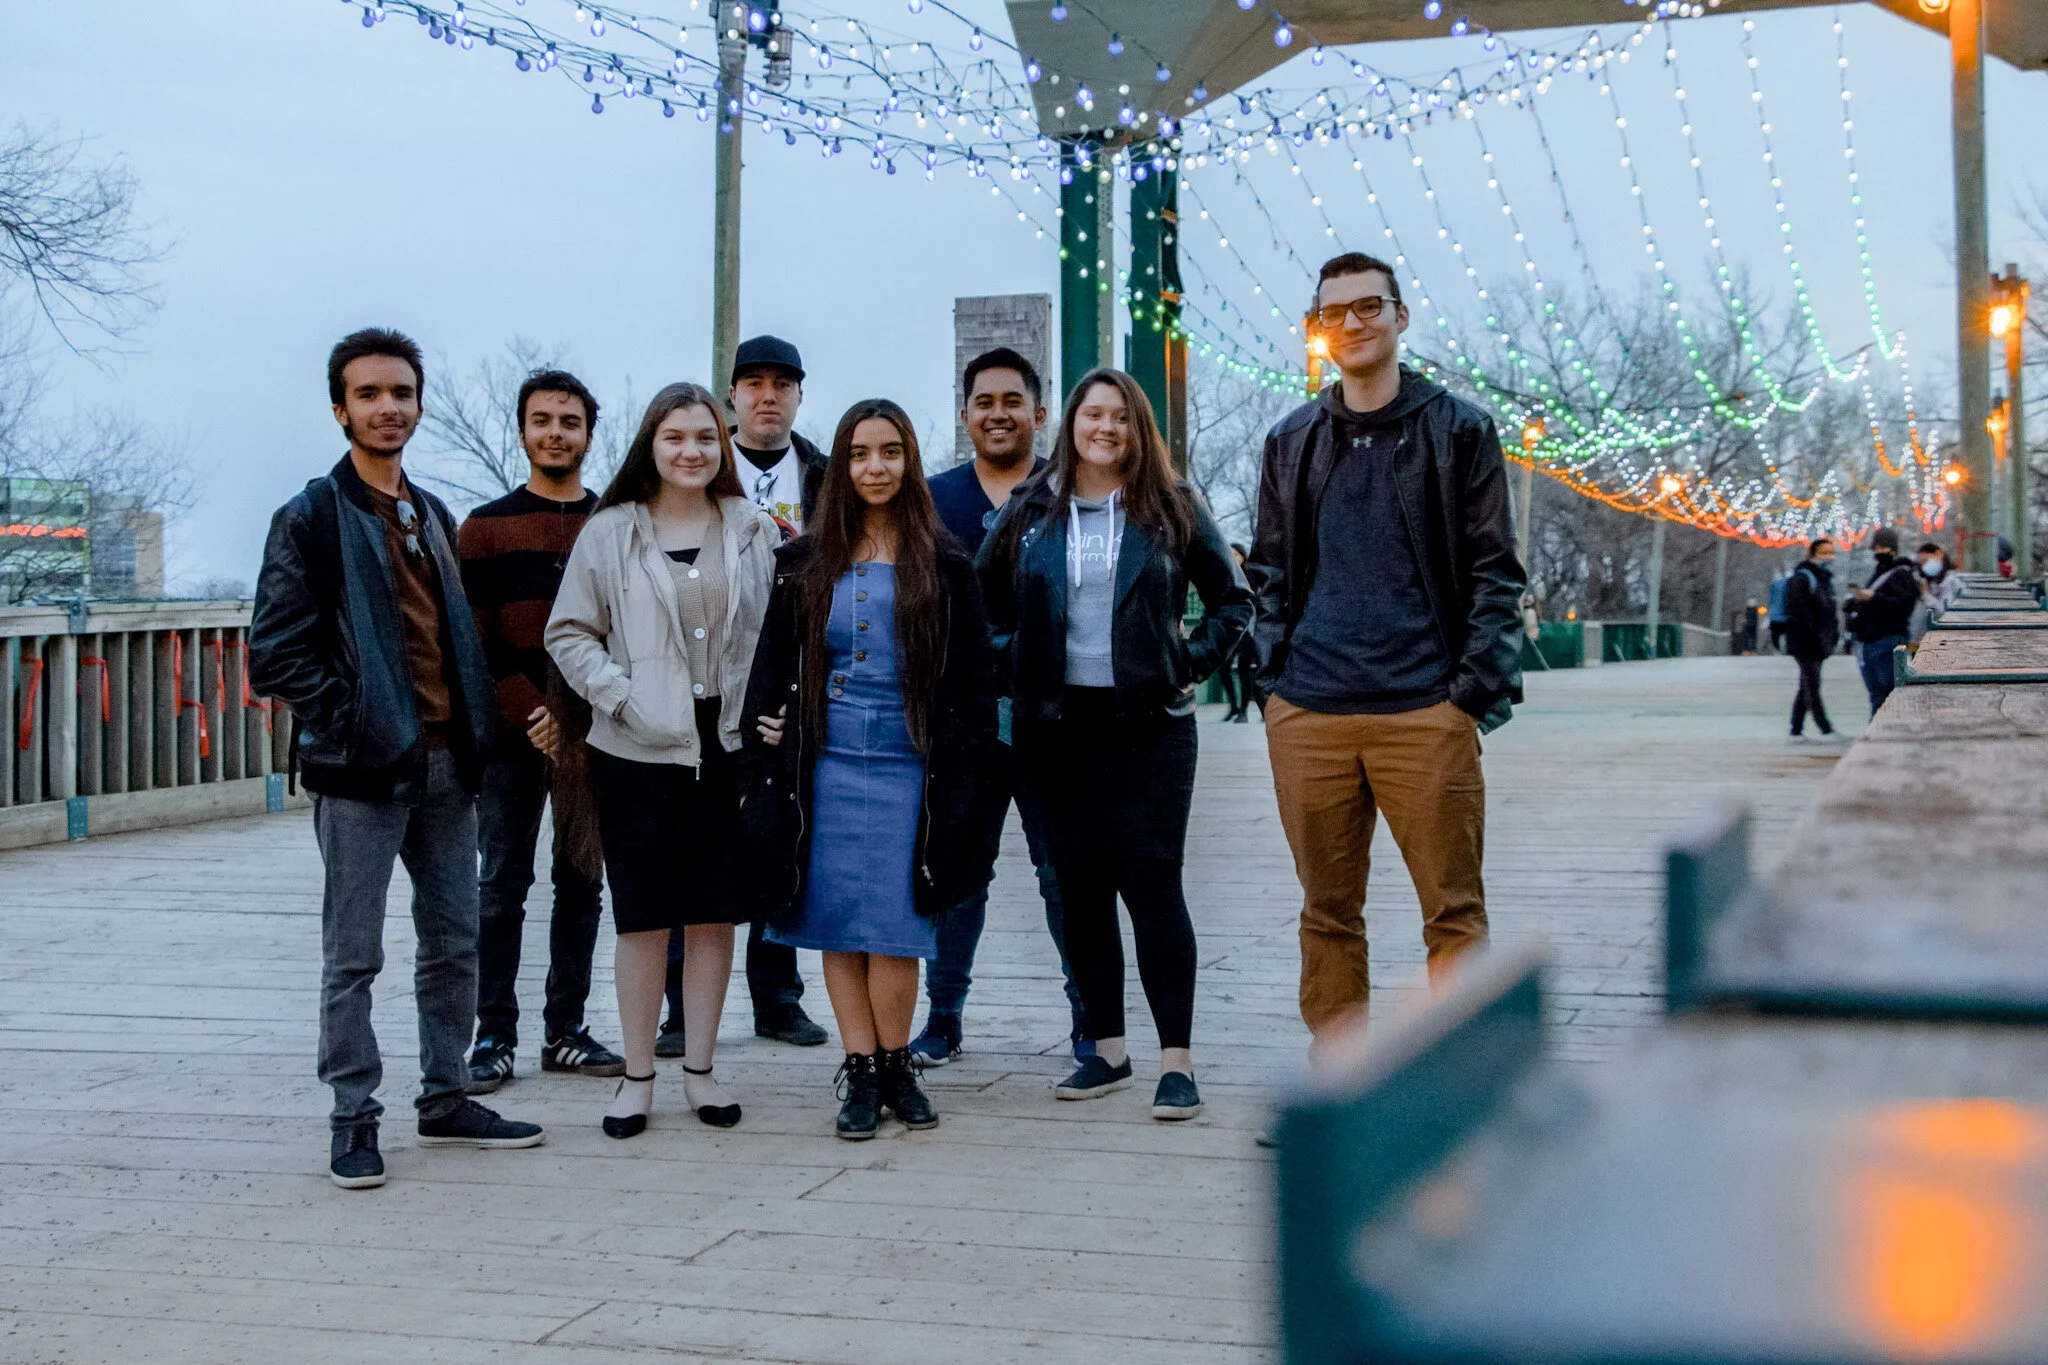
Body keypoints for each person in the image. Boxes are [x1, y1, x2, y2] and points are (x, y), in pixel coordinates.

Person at [250, 328, 544, 1191]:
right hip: (361, 773)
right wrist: (358, 723)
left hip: (449, 766)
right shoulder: (311, 516)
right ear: (340, 409)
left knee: (454, 941)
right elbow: (275, 653)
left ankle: (446, 1094)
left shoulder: (432, 514)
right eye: (370, 394)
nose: (389, 408)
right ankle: (353, 1116)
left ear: (419, 404)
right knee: (355, 955)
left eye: (402, 393)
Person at [1245, 252, 1525, 1048]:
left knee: (1454, 911)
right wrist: (1273, 682)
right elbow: (1268, 572)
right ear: (1319, 328)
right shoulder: (1291, 439)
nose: (1354, 322)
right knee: (1327, 912)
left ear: (1401, 316)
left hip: (1425, 709)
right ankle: (1341, 1078)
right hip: (1311, 710)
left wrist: (1467, 692)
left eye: (1370, 305)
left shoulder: (1459, 429)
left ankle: (1467, 1076)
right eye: (1336, 311)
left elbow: (1495, 570)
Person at [979, 367, 1254, 1122]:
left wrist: (1188, 661)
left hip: (1150, 727)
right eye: (1093, 414)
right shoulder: (1031, 507)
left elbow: (1234, 601)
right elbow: (979, 601)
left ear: (1138, 429)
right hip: (1055, 727)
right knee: (1080, 891)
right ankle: (1106, 1051)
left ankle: (1177, 1063)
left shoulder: (1172, 505)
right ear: (1071, 423)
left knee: (1153, 887)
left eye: (1121, 417)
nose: (1106, 428)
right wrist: (1014, 660)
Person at [741, 399, 1000, 1139]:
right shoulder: (804, 562)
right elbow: (774, 662)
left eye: (889, 452)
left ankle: (897, 1064)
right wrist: (771, 724)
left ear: (908, 461)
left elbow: (975, 683)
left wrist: (970, 767)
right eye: (859, 454)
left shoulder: (946, 563)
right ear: (842, 467)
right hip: (825, 765)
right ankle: (860, 1070)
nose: (874, 467)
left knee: (895, 926)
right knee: (837, 924)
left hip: (910, 767)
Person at [545, 382, 780, 1138]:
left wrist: (777, 705)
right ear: (651, 444)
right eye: (675, 436)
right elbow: (569, 631)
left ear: (724, 445)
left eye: (706, 437)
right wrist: (619, 696)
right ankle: (637, 1078)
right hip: (636, 748)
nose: (691, 450)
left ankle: (701, 1072)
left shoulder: (752, 528)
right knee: (643, 917)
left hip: (729, 744)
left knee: (714, 914)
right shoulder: (612, 530)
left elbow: (780, 630)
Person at [911, 346, 1088, 1066]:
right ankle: (943, 1017)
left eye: (1012, 400)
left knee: (1065, 875)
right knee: (957, 875)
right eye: (984, 402)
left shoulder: (1070, 492)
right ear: (965, 415)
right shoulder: (932, 500)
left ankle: (1090, 1019)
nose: (998, 414)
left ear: (1039, 412)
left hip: (1056, 721)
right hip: (961, 722)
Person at [655, 335, 828, 1054]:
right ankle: (680, 1010)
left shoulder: (825, 477)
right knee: (688, 845)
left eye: (782, 383)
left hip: (788, 679)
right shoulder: (696, 466)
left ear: (799, 395)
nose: (767, 395)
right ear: (732, 395)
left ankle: (778, 996)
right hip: (701, 684)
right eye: (753, 382)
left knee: (776, 837)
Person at [459, 369, 622, 1095]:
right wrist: (531, 713)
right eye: (543, 420)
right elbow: (472, 640)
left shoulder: (614, 523)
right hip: (512, 737)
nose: (556, 433)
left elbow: (628, 631)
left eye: (569, 421)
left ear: (590, 433)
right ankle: (493, 1034)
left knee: (581, 882)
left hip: (594, 735)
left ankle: (566, 1030)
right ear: (522, 430)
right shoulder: (485, 528)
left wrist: (582, 715)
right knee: (501, 884)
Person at [1847, 526, 1918, 716]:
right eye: (1876, 548)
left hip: (1887, 639)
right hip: (1870, 640)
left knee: (1887, 694)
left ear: (1893, 549)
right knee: (1878, 695)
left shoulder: (1901, 574)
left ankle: (1884, 730)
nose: (1878, 552)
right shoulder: (1880, 572)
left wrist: (1873, 598)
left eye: (1882, 548)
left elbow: (1904, 605)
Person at [1784, 536, 1840, 740]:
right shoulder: (1803, 578)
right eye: (1824, 553)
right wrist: (1814, 635)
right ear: (1813, 554)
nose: (1828, 557)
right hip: (1806, 642)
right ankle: (1825, 729)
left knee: (1806, 685)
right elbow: (1798, 612)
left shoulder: (1823, 579)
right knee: (1812, 685)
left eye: (1830, 553)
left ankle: (1796, 729)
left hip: (1817, 641)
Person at [1217, 545, 1262, 723]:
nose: (1233, 557)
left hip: (1249, 630)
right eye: (1231, 554)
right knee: (1223, 667)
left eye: (1236, 554)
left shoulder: (1251, 575)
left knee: (1244, 667)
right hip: (1230, 628)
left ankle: (1243, 710)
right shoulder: (1226, 574)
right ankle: (1233, 706)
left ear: (1243, 556)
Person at [1908, 540, 1961, 643]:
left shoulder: (1951, 581)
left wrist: (1925, 594)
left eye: (1926, 561)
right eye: (1921, 563)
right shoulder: (1926, 580)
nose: (1924, 566)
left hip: (1940, 640)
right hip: (1920, 639)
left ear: (1938, 554)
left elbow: (1943, 612)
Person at [1766, 566, 1790, 654]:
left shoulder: (1774, 584)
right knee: (1788, 634)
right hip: (1787, 614)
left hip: (1775, 614)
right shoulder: (1790, 583)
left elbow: (1771, 598)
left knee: (1775, 634)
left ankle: (1777, 649)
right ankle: (1788, 650)